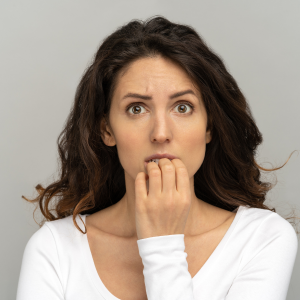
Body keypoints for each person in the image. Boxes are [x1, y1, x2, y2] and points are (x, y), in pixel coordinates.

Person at [16, 16, 298, 300]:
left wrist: (163, 245)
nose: (161, 134)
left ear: (209, 127)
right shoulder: (54, 249)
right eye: (137, 109)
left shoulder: (262, 239)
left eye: (183, 107)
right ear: (107, 129)